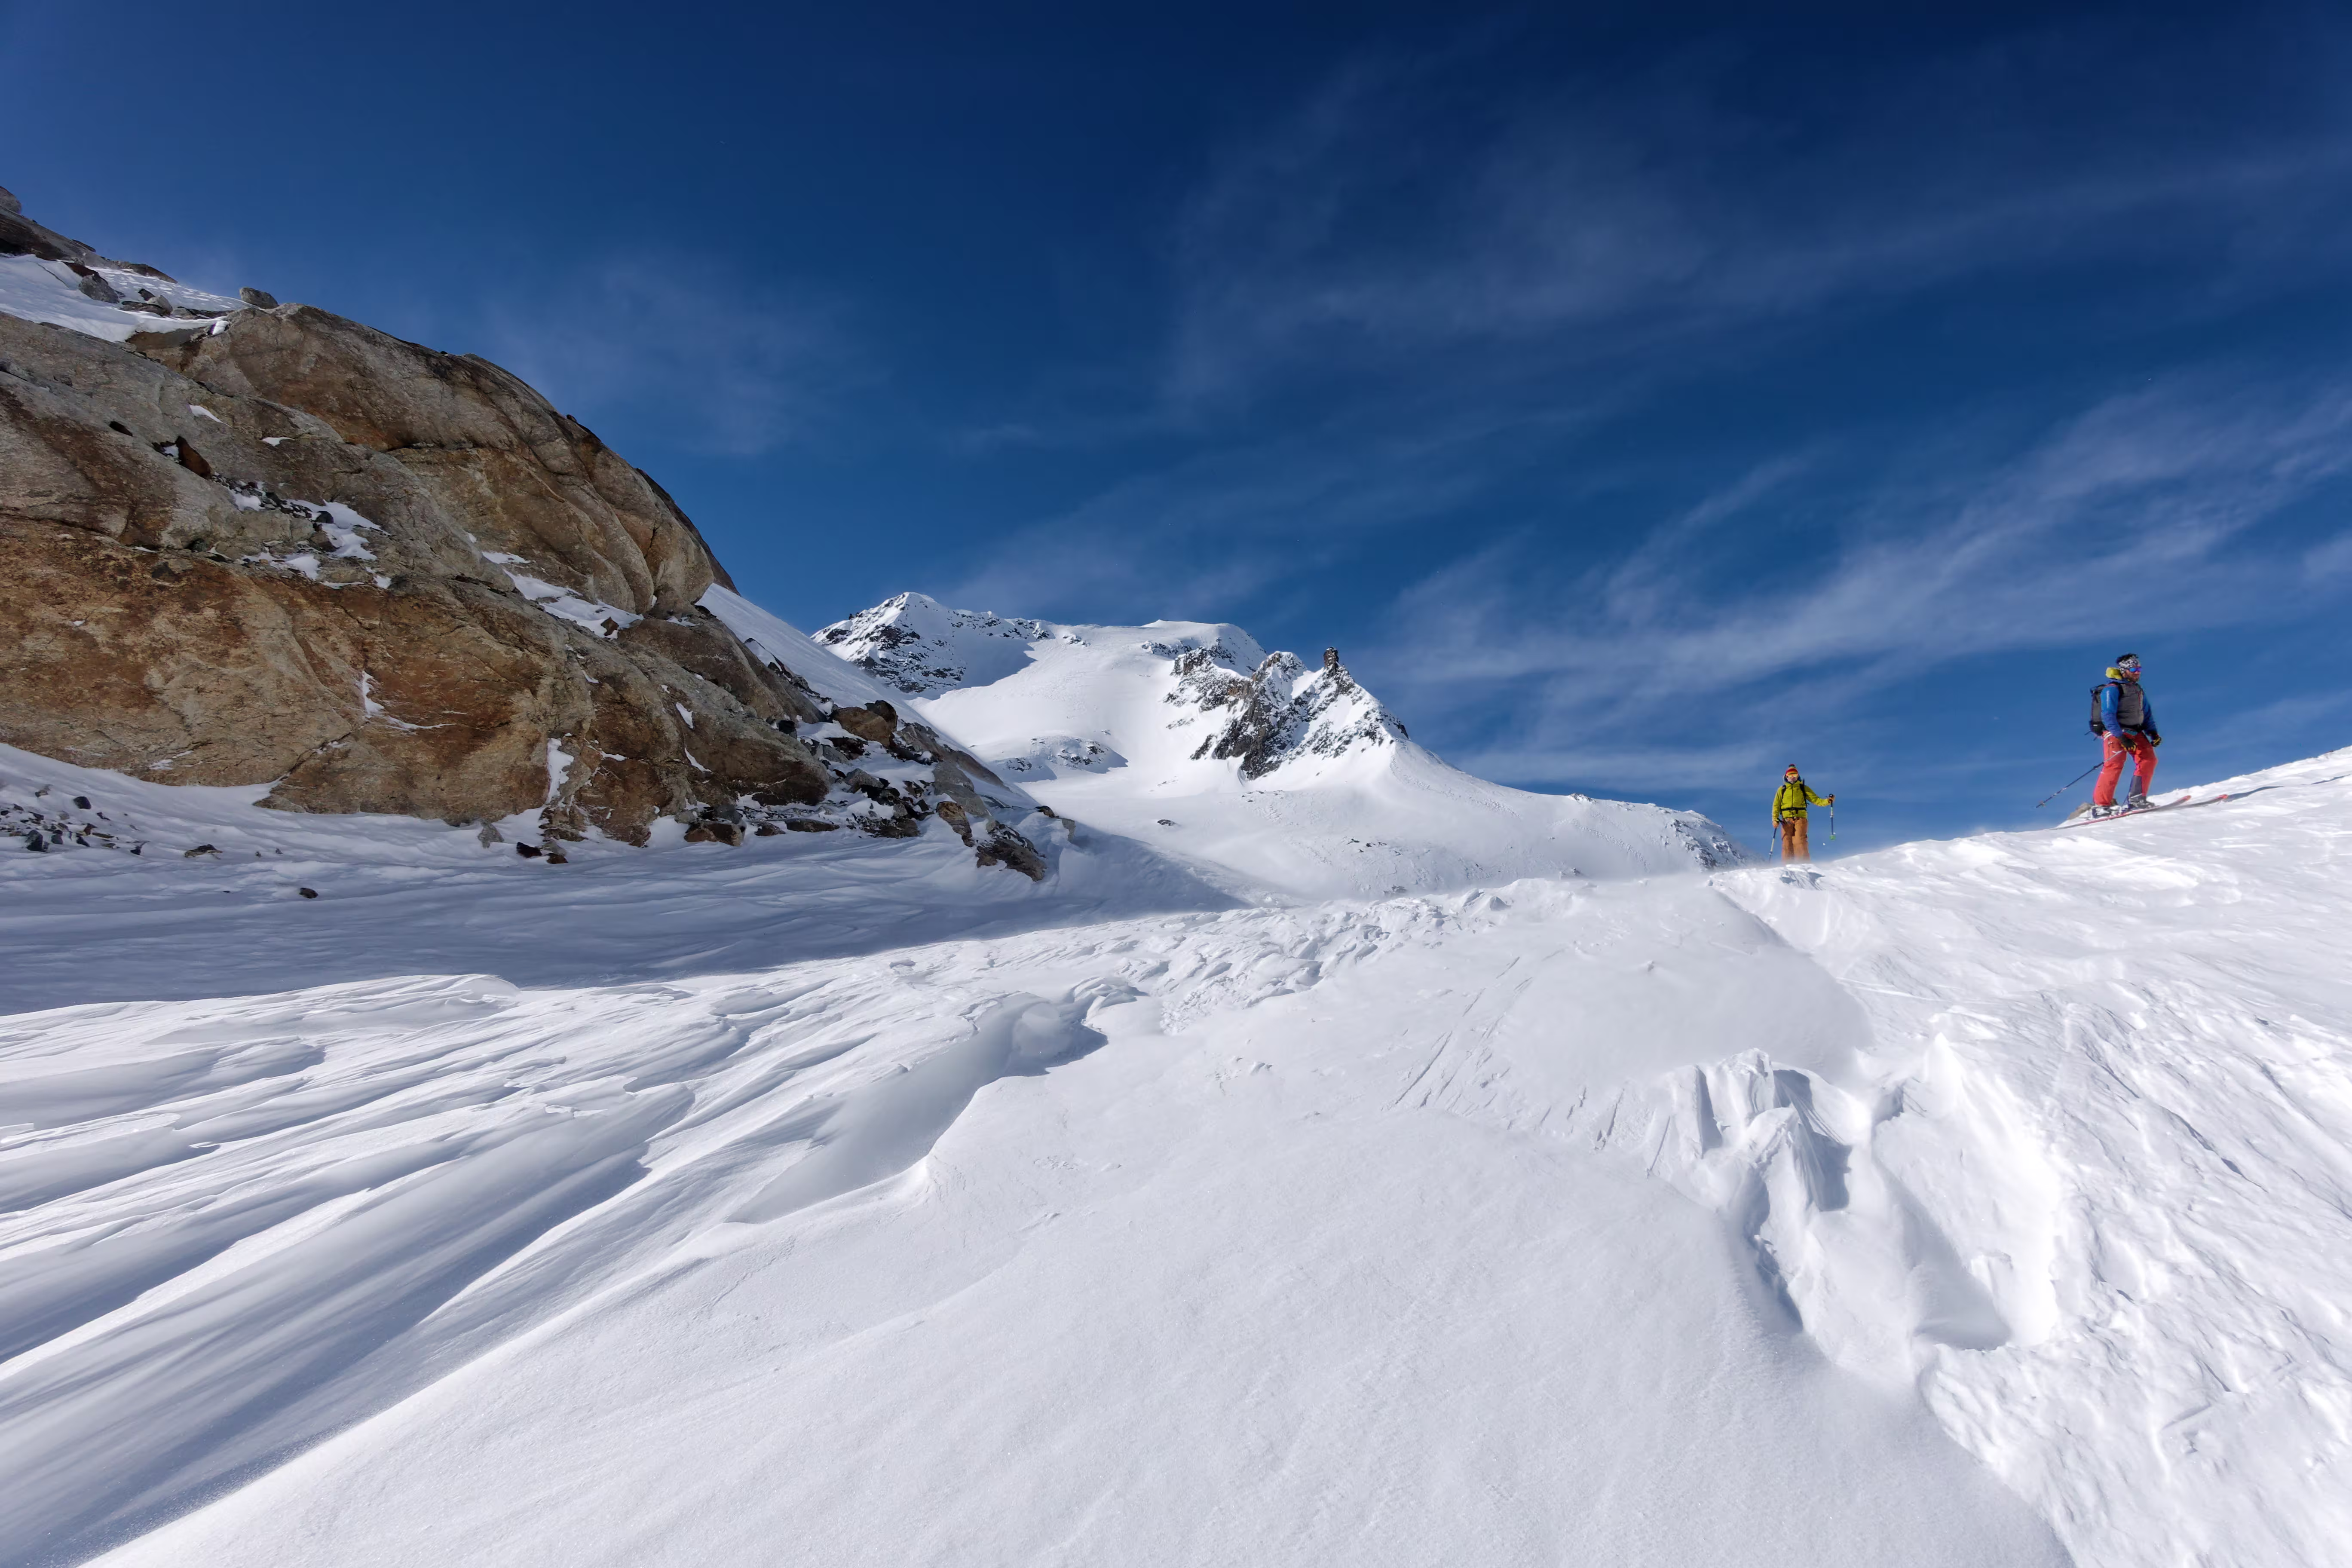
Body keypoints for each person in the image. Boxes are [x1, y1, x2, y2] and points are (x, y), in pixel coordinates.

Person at [2089, 652, 2160, 815]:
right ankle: (2101, 806)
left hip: (2136, 731)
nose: (2138, 672)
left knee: (2149, 760)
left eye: (2139, 668)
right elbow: (2108, 715)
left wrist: (2153, 733)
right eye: (2134, 669)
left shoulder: (2138, 690)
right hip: (2115, 732)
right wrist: (2121, 737)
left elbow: (2146, 713)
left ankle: (2137, 800)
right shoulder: (2112, 689)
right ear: (2124, 671)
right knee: (2114, 765)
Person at [1770, 765, 1833, 862]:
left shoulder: (1803, 788)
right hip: (1786, 820)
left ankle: (1803, 864)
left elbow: (1816, 800)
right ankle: (1788, 866)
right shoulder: (1782, 789)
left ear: (1798, 776)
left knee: (1799, 841)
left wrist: (1828, 801)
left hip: (1800, 818)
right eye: (1790, 775)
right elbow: (1776, 806)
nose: (1792, 777)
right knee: (1787, 842)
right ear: (1786, 776)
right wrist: (1775, 819)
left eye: (1794, 775)